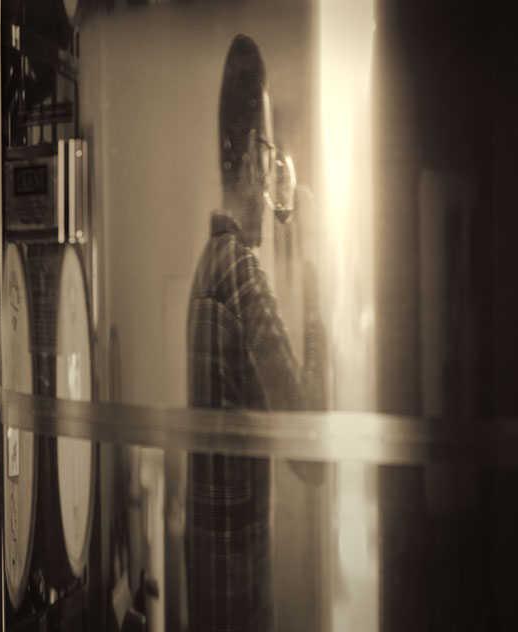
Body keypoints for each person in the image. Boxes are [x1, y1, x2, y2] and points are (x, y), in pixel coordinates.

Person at [185, 34, 321, 631]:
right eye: (269, 151)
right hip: (238, 603)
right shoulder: (239, 272)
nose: (274, 171)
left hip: (212, 590)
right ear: (249, 154)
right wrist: (313, 272)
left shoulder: (210, 263)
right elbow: (311, 456)